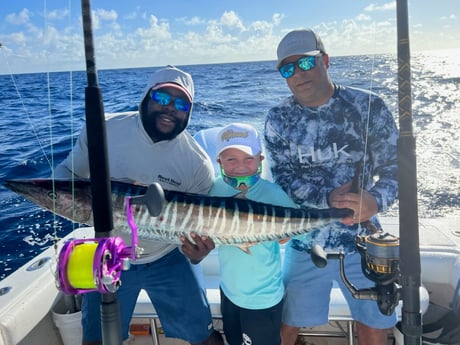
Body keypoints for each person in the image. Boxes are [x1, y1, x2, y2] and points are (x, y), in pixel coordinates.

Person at [55, 65, 223, 345]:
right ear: (146, 97)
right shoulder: (104, 129)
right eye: (162, 99)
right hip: (108, 252)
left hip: (169, 256)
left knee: (205, 338)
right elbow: (67, 174)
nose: (170, 108)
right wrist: (58, 199)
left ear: (189, 112)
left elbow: (201, 229)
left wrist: (197, 253)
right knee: (95, 341)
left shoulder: (198, 164)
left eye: (180, 103)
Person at [264, 29, 399, 345]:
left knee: (374, 325)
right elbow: (282, 178)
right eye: (288, 68)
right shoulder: (277, 118)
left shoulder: (370, 106)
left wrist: (375, 201)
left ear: (324, 60)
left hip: (364, 240)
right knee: (285, 325)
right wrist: (325, 198)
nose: (298, 73)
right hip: (304, 241)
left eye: (306, 62)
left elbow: (398, 170)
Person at [185, 123, 297, 345]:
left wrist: (278, 232)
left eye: (248, 158)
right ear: (219, 162)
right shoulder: (212, 190)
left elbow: (288, 234)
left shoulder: (273, 193)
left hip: (263, 298)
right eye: (231, 159)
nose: (241, 166)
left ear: (260, 160)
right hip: (230, 291)